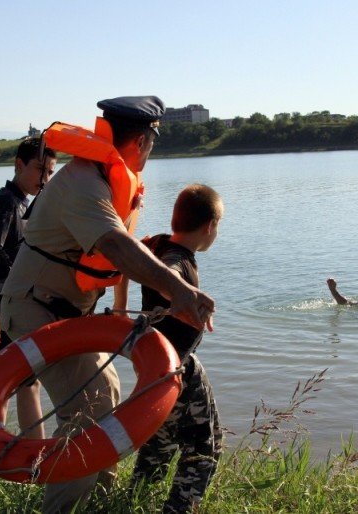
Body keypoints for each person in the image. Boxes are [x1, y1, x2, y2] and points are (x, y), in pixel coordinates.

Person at [0, 96, 215, 513]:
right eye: (153, 140)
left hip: (68, 310)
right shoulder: (84, 182)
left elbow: (119, 256)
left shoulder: (109, 179)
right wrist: (182, 292)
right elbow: (115, 246)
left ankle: (100, 503)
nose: (152, 150)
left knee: (109, 391)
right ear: (142, 140)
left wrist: (118, 312)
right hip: (34, 307)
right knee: (86, 409)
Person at [129, 184, 224, 514]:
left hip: (162, 368)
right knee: (203, 451)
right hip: (175, 370)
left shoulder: (156, 244)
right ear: (210, 226)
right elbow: (169, 273)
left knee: (160, 443)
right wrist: (177, 289)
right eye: (218, 226)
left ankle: (134, 503)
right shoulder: (176, 261)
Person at [0, 137, 57, 440]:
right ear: (19, 165)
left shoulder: (26, 202)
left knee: (23, 381)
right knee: (7, 383)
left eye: (50, 172)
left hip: (14, 304)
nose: (45, 180)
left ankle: (28, 454)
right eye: (39, 170)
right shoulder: (6, 201)